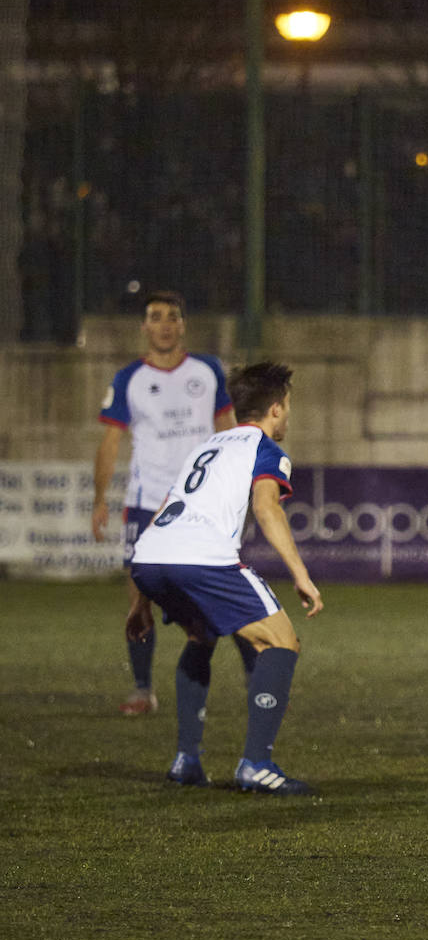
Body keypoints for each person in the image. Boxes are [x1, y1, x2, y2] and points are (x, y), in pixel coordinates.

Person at [130, 361, 323, 795]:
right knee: (282, 641)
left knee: (200, 637)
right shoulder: (266, 450)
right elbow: (267, 507)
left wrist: (140, 600)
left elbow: (165, 512)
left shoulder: (205, 446)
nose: (288, 416)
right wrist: (301, 575)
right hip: (201, 558)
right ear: (275, 409)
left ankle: (187, 760)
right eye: (287, 406)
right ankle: (257, 764)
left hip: (151, 558)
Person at [92, 290, 241, 716]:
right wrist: (100, 498)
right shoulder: (128, 378)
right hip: (145, 502)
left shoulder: (208, 371)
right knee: (140, 594)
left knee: (205, 598)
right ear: (144, 326)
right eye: (155, 317)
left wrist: (235, 483)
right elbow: (110, 441)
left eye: (172, 316)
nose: (164, 324)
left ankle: (207, 683)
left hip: (198, 504)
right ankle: (142, 689)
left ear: (183, 324)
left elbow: (227, 430)